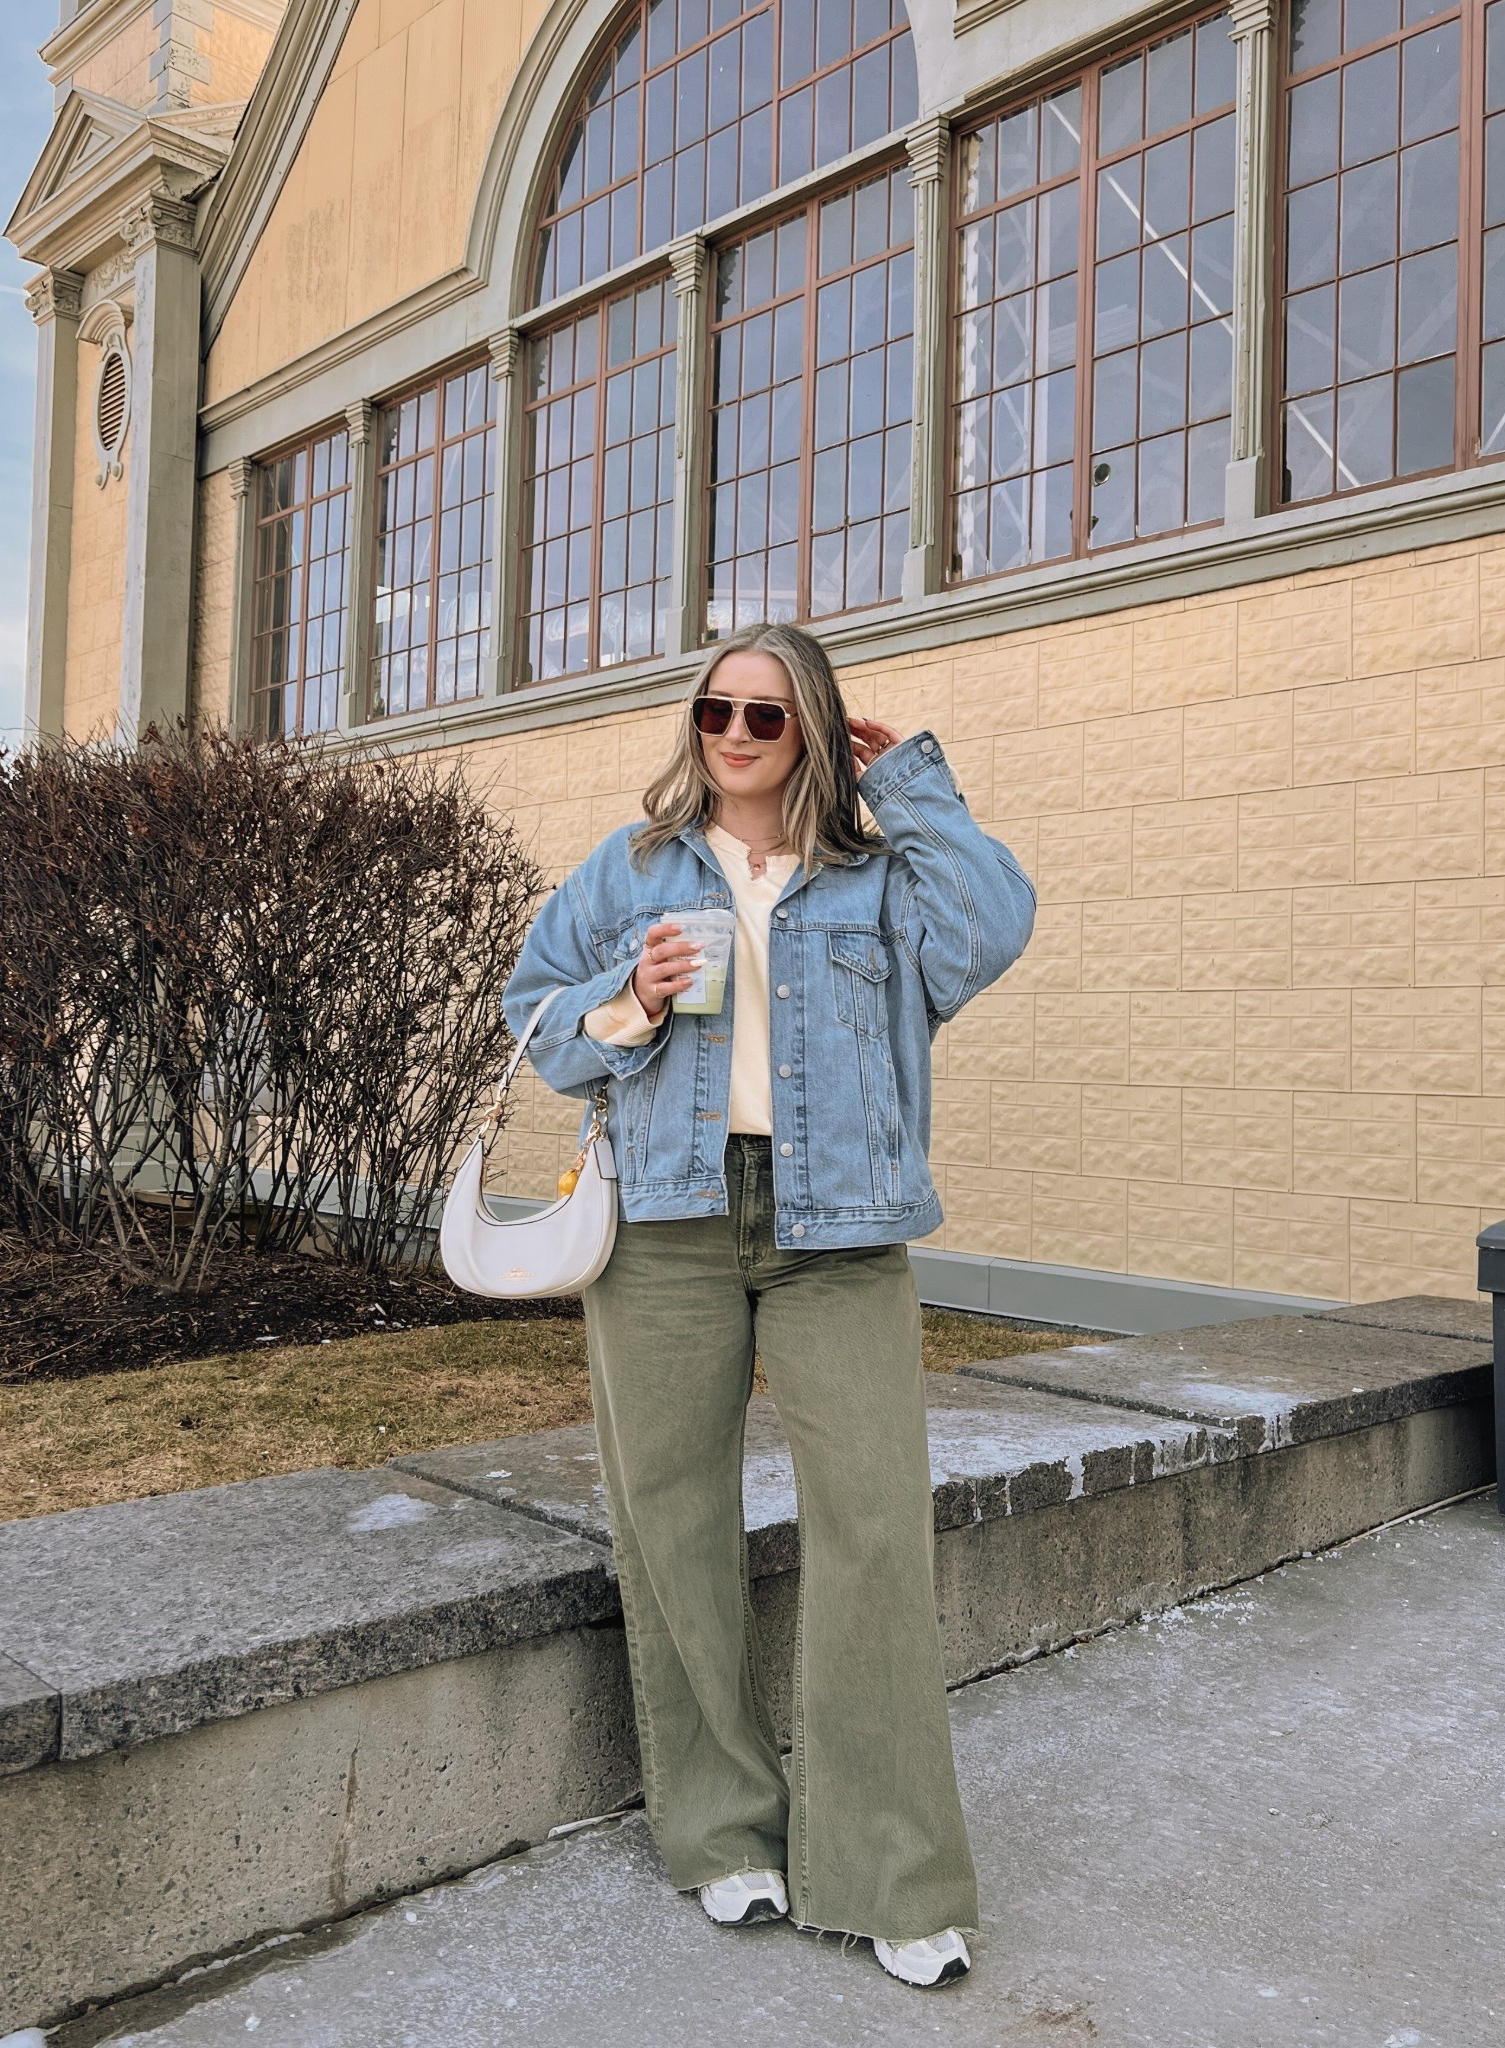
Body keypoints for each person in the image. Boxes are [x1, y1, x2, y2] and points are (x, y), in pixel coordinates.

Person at [501, 622, 1035, 1988]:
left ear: (810, 730)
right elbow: (531, 1016)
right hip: (669, 1228)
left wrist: (907, 784)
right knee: (670, 1521)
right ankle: (720, 1828)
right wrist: (625, 1000)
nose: (733, 736)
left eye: (765, 716)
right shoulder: (628, 870)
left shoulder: (878, 876)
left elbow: (992, 929)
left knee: (872, 1532)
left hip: (839, 1233)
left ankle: (893, 1873)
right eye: (713, 711)